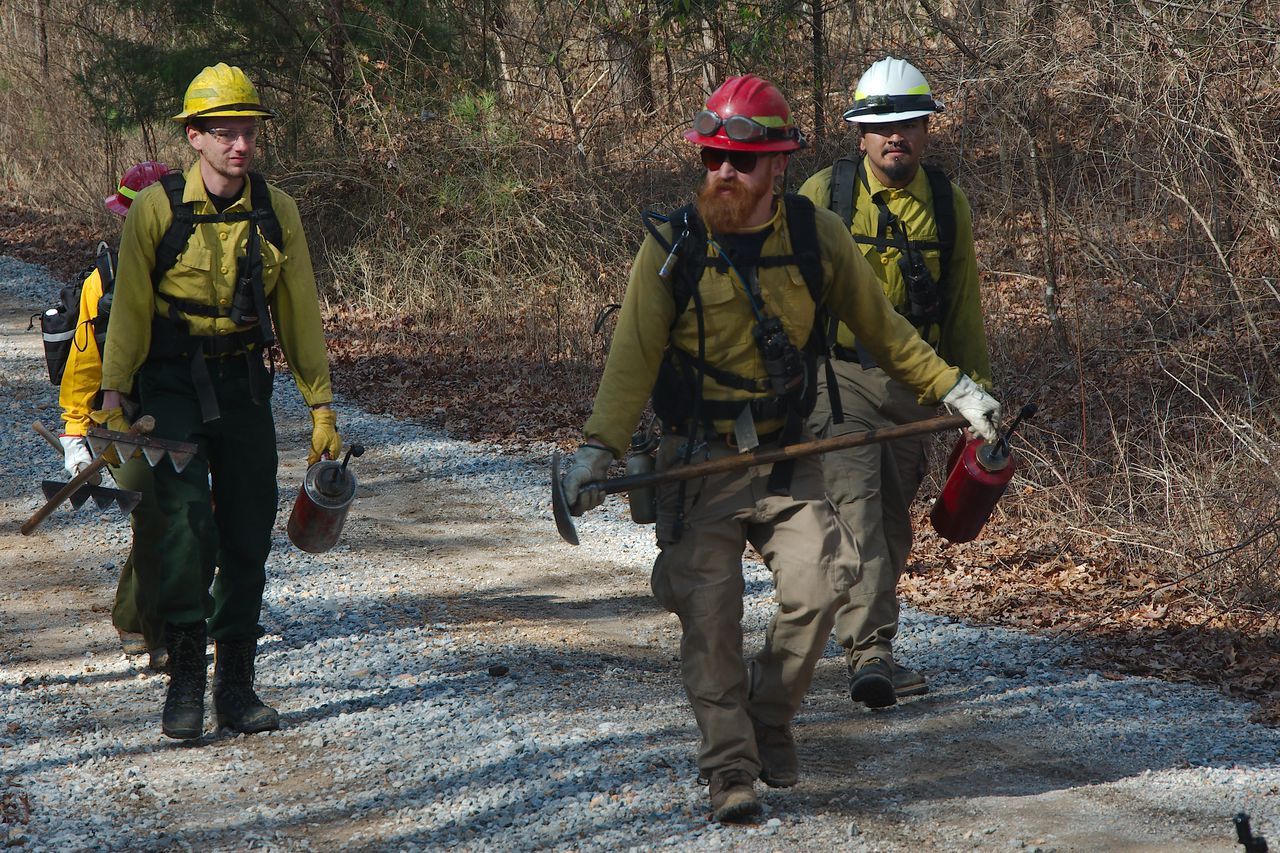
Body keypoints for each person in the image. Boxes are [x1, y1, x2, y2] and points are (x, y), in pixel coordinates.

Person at [560, 74, 1001, 823]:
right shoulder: (671, 249)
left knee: (824, 584)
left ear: (778, 165)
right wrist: (596, 448)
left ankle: (768, 717)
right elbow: (631, 357)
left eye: (738, 161)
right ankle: (730, 768)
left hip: (788, 455)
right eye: (711, 160)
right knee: (712, 613)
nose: (721, 174)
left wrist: (957, 387)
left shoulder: (813, 234)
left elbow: (886, 331)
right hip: (696, 463)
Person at [97, 62, 341, 740]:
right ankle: (184, 677)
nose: (240, 146)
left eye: (249, 133)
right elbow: (132, 312)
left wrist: (319, 405)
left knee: (244, 528)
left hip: (242, 384)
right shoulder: (157, 208)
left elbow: (298, 312)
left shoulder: (275, 209)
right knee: (181, 523)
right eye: (226, 134)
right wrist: (115, 396)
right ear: (195, 138)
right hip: (169, 384)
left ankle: (234, 683)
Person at [797, 56, 994, 710]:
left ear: (928, 129)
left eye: (908, 122)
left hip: (915, 389)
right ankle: (870, 652)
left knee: (889, 518)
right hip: (840, 378)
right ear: (858, 133)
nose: (895, 135)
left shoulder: (946, 204)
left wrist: (975, 397)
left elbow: (963, 309)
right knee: (858, 510)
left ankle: (857, 634)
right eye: (880, 125)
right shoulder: (824, 194)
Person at [58, 161, 172, 672]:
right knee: (152, 514)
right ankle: (148, 628)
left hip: (174, 411)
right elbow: (83, 368)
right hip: (117, 422)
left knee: (193, 513)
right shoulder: (99, 282)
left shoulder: (182, 269)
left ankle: (149, 614)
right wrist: (74, 435)